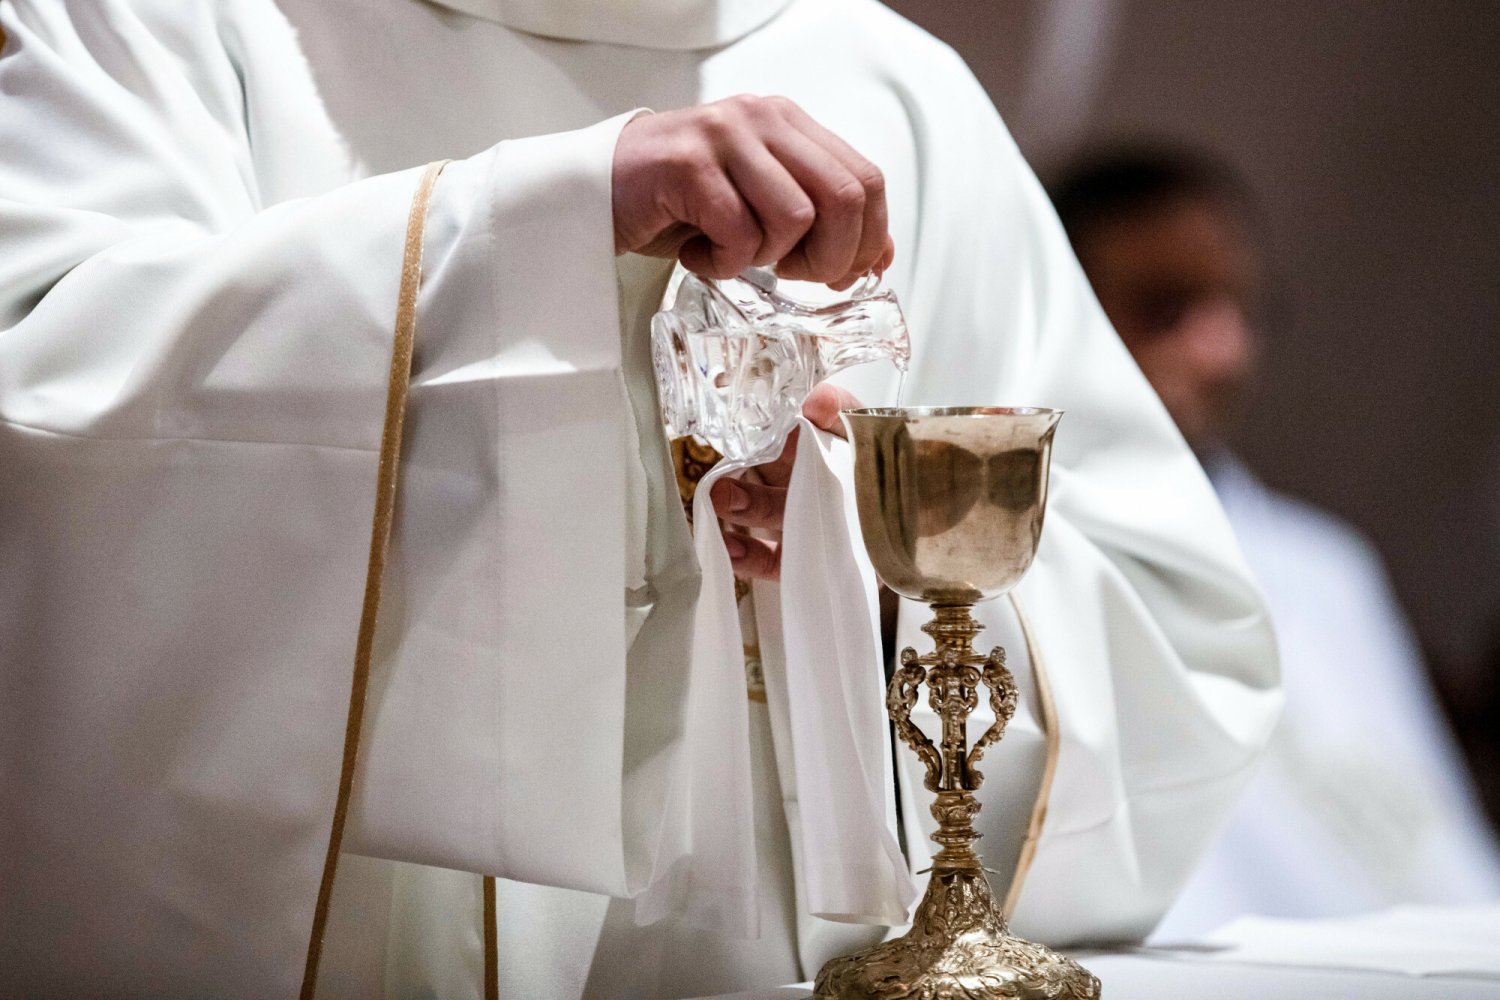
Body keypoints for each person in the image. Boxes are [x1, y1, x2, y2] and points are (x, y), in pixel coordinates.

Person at [0, 3, 1280, 997]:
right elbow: (48, 418)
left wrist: (865, 555)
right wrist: (536, 230)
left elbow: (1181, 651)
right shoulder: (158, 29)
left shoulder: (900, 88)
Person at [1049, 144, 1500, 939]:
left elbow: (1431, 844)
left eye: (1244, 308)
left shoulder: (1328, 567)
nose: (1227, 353)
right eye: (1166, 308)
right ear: (1060, 311)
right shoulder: (1019, 562)